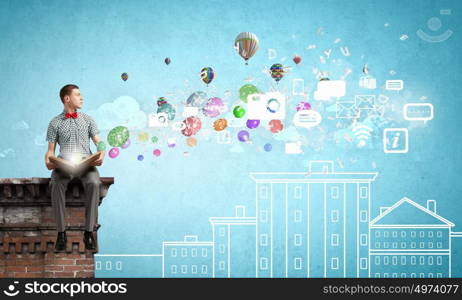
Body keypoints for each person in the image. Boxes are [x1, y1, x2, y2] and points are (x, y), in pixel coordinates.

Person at [44, 84, 106, 251]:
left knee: (94, 183)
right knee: (56, 183)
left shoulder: (88, 120)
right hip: (64, 165)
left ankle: (88, 232)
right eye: (78, 95)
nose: (81, 97)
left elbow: (99, 143)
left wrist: (101, 154)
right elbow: (50, 151)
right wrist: (49, 161)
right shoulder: (54, 122)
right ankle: (61, 233)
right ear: (67, 98)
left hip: (87, 165)